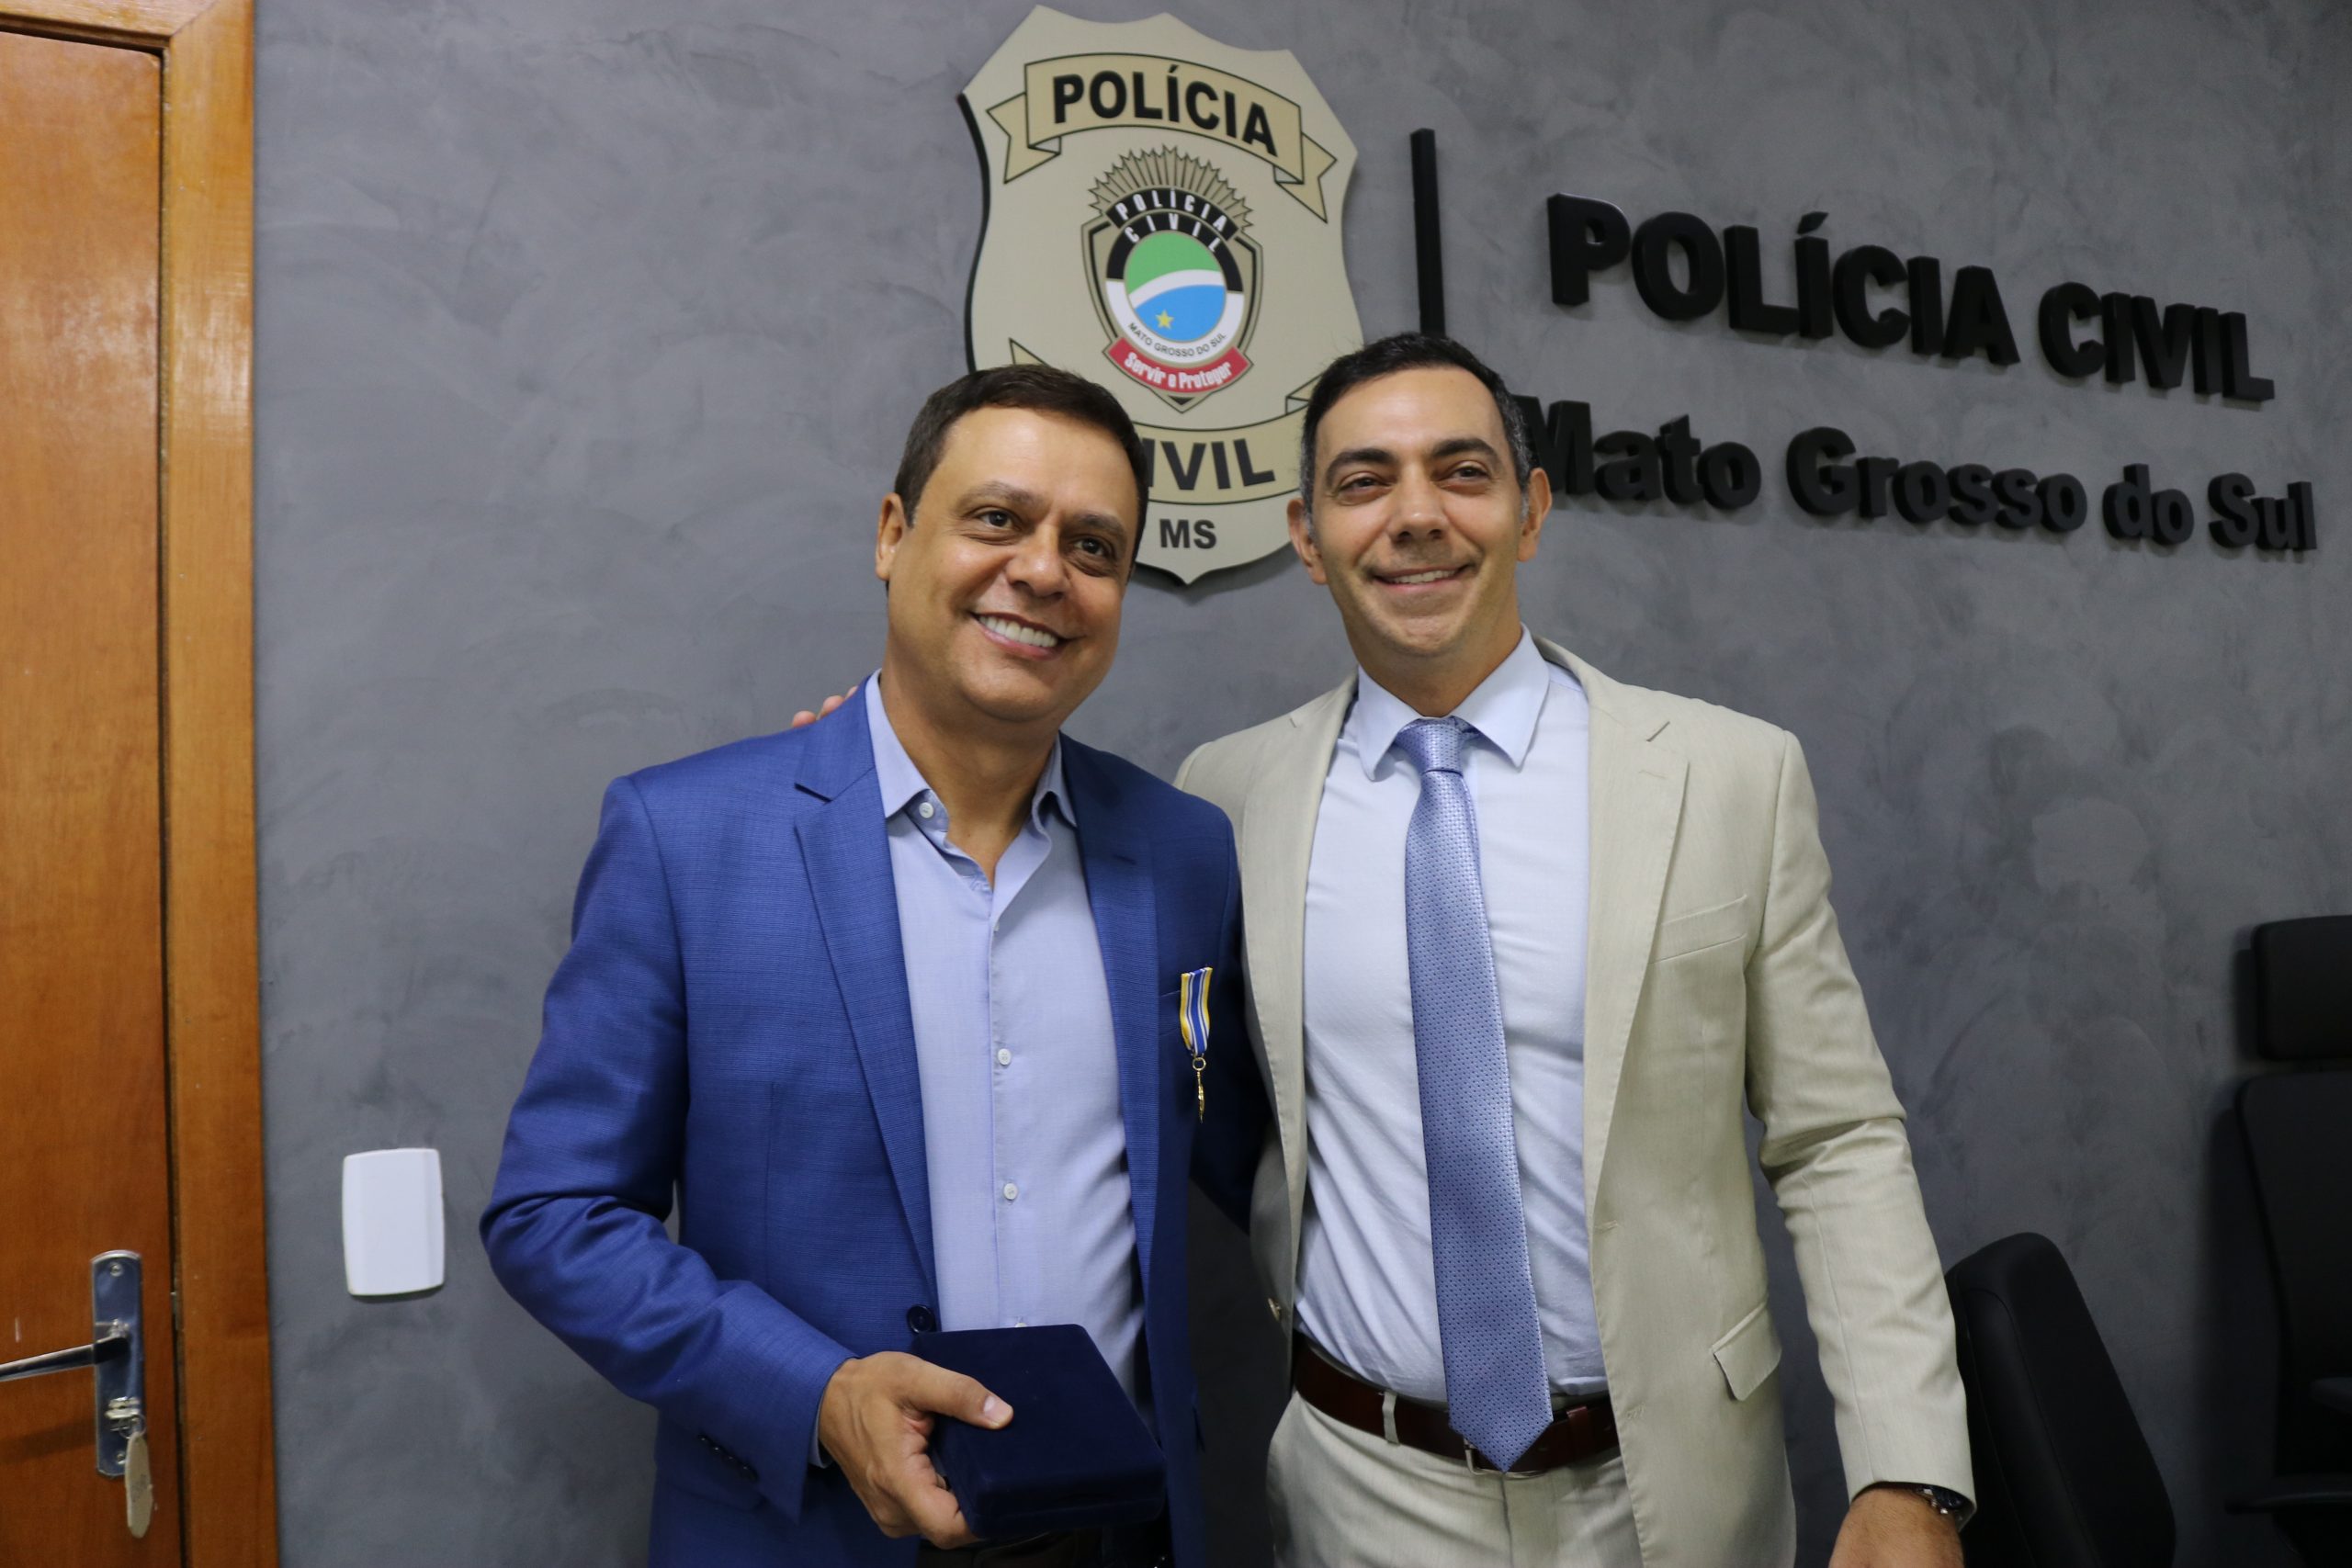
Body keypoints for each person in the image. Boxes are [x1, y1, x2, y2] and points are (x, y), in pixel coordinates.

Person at [1172, 333, 1973, 1568]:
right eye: (1364, 481)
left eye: (1463, 472)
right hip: (1361, 1490)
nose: (1417, 515)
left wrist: (1908, 1468)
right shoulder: (1227, 797)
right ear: (1307, 535)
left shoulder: (1726, 776)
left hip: (1672, 1488)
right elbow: (1214, 1108)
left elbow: (1838, 1138)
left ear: (1533, 511)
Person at [482, 364, 1264, 1568]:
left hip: (1121, 1527)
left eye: (1093, 546)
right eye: (997, 518)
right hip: (811, 1533)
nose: (1043, 571)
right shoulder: (689, 840)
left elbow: (1246, 1145)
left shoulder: (1183, 853)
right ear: (894, 535)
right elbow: (556, 1215)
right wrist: (819, 1395)